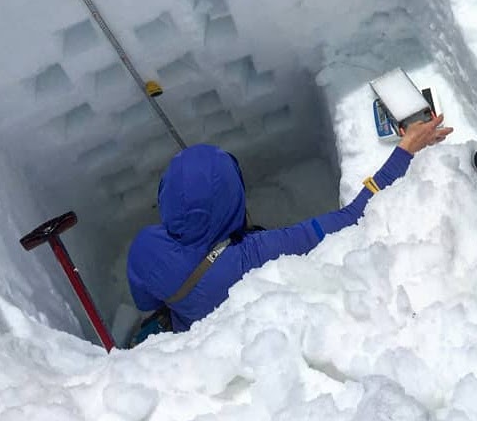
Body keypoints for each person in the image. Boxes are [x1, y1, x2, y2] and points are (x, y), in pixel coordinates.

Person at [126, 115, 451, 331]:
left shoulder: (143, 248)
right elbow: (353, 217)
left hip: (188, 333)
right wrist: (406, 149)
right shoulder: (259, 253)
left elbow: (147, 303)